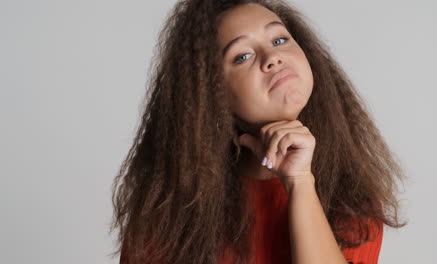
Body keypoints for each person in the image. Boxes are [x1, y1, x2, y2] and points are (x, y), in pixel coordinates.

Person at [110, 0, 408, 263]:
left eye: (279, 39)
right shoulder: (171, 211)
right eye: (242, 56)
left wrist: (300, 182)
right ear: (211, 97)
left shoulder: (351, 192)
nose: (273, 57)